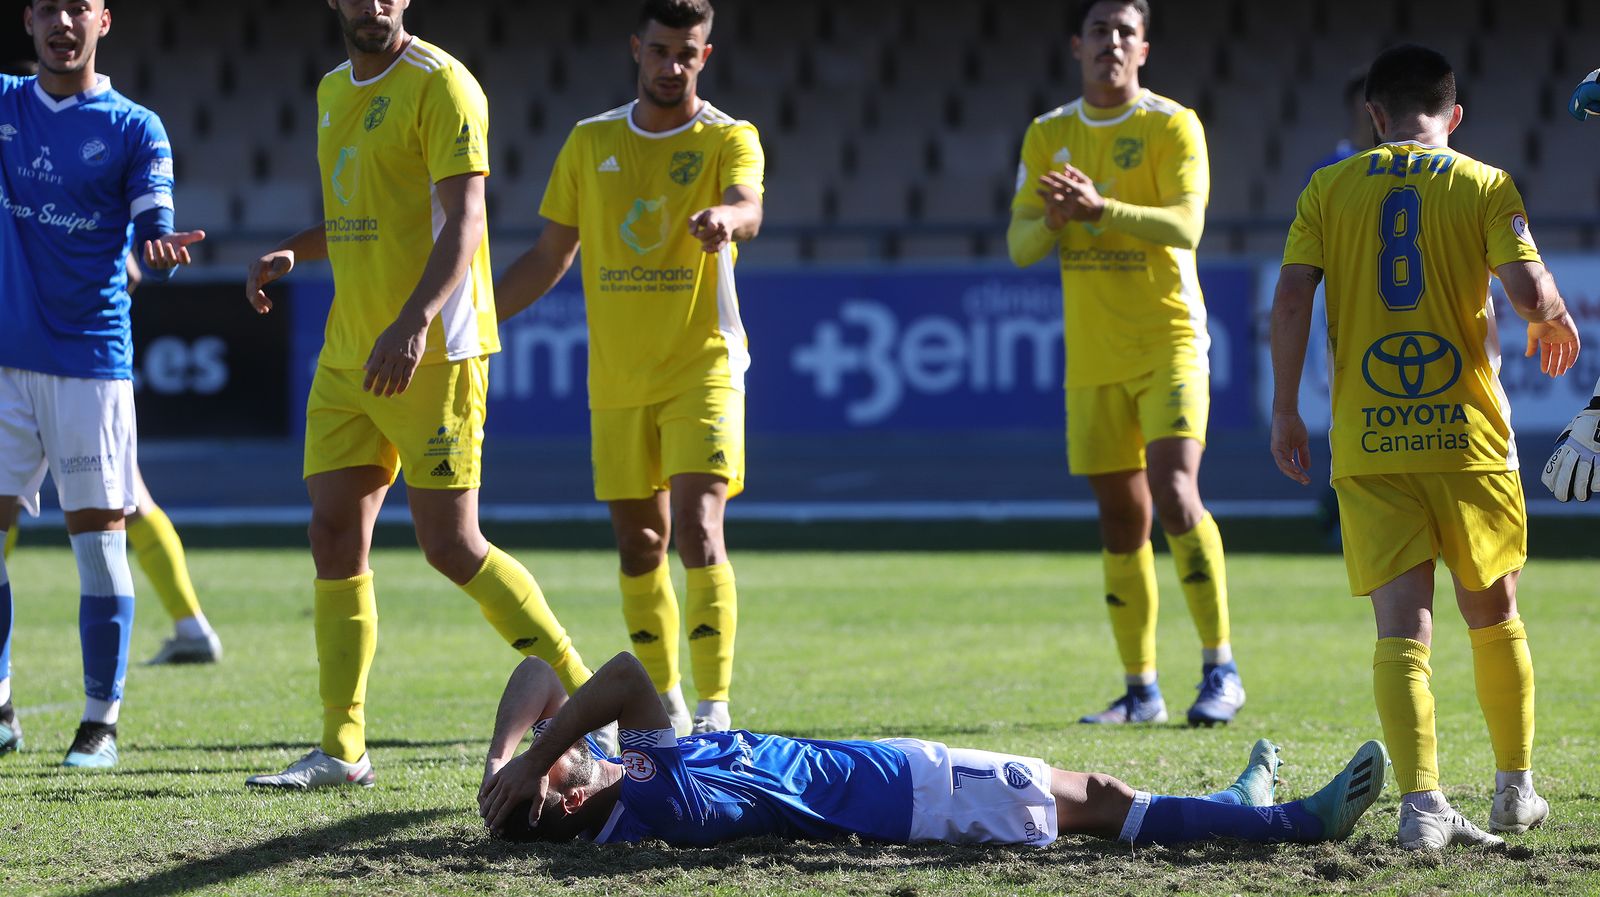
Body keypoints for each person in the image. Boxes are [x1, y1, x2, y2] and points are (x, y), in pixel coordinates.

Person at [241, 0, 594, 789]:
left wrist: (412, 322)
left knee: (451, 546)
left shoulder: (444, 84)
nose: (372, 6)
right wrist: (293, 251)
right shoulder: (335, 89)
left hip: (433, 352)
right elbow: (357, 215)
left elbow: (466, 220)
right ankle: (342, 749)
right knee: (333, 534)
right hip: (349, 356)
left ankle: (588, 695)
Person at [1270, 44, 1579, 850]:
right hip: (1468, 438)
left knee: (1401, 631)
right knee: (1495, 614)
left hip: (1370, 441)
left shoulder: (1327, 187)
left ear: (1374, 116)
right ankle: (1514, 792)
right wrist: (1550, 312)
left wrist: (1285, 410)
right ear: (1455, 115)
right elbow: (1527, 292)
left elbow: (1293, 294)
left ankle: (1423, 806)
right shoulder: (1483, 182)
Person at [497, 0, 762, 736]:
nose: (672, 65)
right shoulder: (589, 142)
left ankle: (714, 708)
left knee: (700, 527)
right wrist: (474, 317)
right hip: (617, 379)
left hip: (702, 364)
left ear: (704, 57)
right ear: (636, 50)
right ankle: (666, 699)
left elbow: (748, 205)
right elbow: (550, 255)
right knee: (640, 542)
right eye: (660, 51)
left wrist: (725, 221)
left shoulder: (729, 136)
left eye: (688, 53)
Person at [476, 652, 1387, 849]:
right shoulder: (657, 796)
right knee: (1102, 798)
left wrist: (503, 758)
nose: (568, 746)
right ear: (559, 801)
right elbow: (624, 674)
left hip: (893, 774)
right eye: (559, 766)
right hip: (911, 800)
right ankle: (1292, 823)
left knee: (1102, 794)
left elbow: (536, 675)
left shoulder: (630, 796)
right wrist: (526, 757)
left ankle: (1244, 793)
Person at [1007, 0, 1243, 727]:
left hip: (1169, 338)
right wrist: (1053, 217)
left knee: (1175, 492)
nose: (1112, 43)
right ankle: (1141, 688)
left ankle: (1220, 668)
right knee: (1120, 519)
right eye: (1100, 32)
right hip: (1094, 354)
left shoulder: (1171, 124)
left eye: (1125, 33)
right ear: (1076, 45)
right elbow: (1020, 246)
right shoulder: (1050, 134)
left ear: (1144, 48)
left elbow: (1187, 224)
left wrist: (1098, 207)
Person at [0, 0, 205, 766]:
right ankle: (1, 708)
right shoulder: (5, 105)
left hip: (89, 365)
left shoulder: (135, 127)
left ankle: (100, 722)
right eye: (48, 6)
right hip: (5, 364)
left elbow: (154, 225)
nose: (63, 21)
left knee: (98, 542)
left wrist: (159, 246)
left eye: (77, 7)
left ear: (103, 21)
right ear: (28, 20)